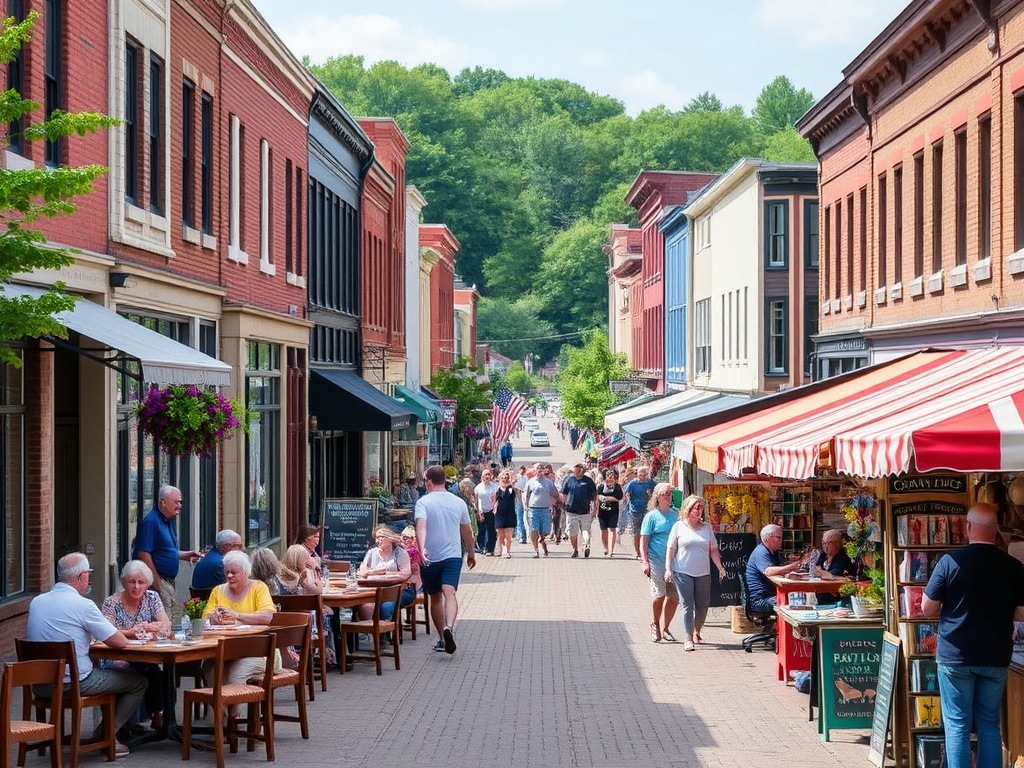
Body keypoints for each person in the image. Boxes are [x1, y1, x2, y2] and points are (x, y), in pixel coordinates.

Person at [921, 503, 1024, 768]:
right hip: (995, 655)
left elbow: (927, 608)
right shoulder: (1014, 566)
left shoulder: (950, 562)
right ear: (995, 530)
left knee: (957, 724)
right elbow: (1022, 614)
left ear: (967, 527)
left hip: (956, 655)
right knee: (990, 724)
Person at [27, 552, 148, 756]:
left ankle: (103, 732)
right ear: (82, 576)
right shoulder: (84, 605)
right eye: (88, 575)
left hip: (40, 686)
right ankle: (109, 734)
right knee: (138, 681)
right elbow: (119, 641)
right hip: (72, 684)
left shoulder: (36, 602)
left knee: (99, 668)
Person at [101, 560, 172, 733]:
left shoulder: (152, 598)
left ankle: (159, 715)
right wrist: (131, 632)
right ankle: (126, 723)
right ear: (124, 582)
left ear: (147, 584)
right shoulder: (112, 602)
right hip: (116, 655)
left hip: (144, 655)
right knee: (131, 670)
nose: (136, 587)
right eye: (132, 582)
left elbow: (167, 625)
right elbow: (106, 632)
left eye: (141, 582)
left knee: (157, 673)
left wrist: (158, 627)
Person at [415, 464, 476, 655]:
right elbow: (467, 530)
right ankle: (450, 626)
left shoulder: (423, 502)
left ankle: (442, 637)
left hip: (430, 556)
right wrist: (471, 553)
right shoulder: (458, 502)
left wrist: (421, 549)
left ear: (429, 481)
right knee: (450, 593)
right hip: (453, 555)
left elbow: (421, 526)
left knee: (434, 597)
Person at [202, 550, 277, 695]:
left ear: (246, 572)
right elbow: (206, 617)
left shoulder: (258, 588)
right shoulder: (218, 591)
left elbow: (267, 617)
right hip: (224, 650)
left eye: (234, 572)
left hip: (257, 651)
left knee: (237, 672)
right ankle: (222, 711)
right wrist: (214, 617)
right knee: (209, 666)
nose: (229, 576)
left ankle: (235, 713)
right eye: (227, 572)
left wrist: (238, 616)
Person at [664, 495, 726, 651]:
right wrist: (668, 569)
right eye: (696, 508)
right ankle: (688, 637)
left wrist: (720, 567)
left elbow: (713, 549)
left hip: (703, 572)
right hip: (682, 571)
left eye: (701, 508)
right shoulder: (678, 527)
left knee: (703, 606)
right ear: (688, 509)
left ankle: (696, 629)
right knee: (687, 605)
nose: (699, 511)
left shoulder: (707, 528)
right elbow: (671, 549)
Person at [132, 484, 201, 620]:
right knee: (164, 620)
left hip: (168, 580)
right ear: (163, 502)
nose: (180, 506)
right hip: (159, 579)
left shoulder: (168, 520)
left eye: (180, 502)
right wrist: (156, 581)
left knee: (170, 618)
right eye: (176, 502)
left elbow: (166, 550)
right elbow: (143, 553)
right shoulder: (151, 522)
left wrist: (184, 555)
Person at [640, 482, 679, 643]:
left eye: (670, 494)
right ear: (657, 497)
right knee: (660, 595)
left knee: (674, 597)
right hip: (657, 560)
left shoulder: (676, 515)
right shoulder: (651, 517)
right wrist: (645, 562)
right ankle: (655, 623)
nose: (668, 497)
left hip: (675, 561)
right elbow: (644, 541)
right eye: (665, 494)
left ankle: (666, 628)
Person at [745, 523, 807, 613]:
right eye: (779, 537)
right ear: (768, 538)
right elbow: (768, 571)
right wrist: (791, 567)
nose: (781, 540)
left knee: (801, 598)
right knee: (798, 602)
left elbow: (782, 567)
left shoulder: (774, 552)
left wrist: (795, 567)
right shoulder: (761, 552)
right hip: (760, 600)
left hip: (768, 595)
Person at [357, 526, 413, 621]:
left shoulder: (400, 553)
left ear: (390, 538)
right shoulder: (372, 553)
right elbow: (361, 573)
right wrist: (375, 572)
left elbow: (405, 574)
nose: (378, 540)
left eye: (381, 537)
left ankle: (384, 635)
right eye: (377, 538)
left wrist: (383, 573)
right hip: (374, 590)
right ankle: (366, 633)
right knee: (363, 606)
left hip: (399, 590)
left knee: (385, 607)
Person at [561, 462, 597, 558]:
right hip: (571, 511)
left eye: (579, 469)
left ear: (582, 470)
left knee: (586, 531)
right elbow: (564, 494)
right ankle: (575, 549)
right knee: (573, 533)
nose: (577, 471)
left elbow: (594, 495)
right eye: (575, 469)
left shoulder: (588, 481)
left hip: (585, 511)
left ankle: (586, 546)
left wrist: (594, 508)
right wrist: (564, 506)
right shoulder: (569, 480)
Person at [810, 529, 855, 603]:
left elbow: (831, 576)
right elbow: (812, 569)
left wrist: (819, 571)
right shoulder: (822, 555)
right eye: (823, 543)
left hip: (837, 600)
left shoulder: (842, 557)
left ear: (838, 544)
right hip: (823, 597)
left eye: (829, 543)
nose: (825, 546)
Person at [524, 462, 558, 559]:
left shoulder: (549, 482)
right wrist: (526, 507)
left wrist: (557, 502)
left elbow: (555, 494)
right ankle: (536, 550)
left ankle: (542, 540)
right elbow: (526, 495)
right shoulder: (530, 482)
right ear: (535, 470)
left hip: (545, 510)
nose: (540, 470)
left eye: (541, 468)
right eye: (538, 468)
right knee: (534, 529)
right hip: (533, 509)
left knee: (545, 531)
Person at [623, 466, 656, 560]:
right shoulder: (633, 483)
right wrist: (628, 497)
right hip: (635, 510)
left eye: (645, 473)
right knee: (637, 531)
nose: (643, 475)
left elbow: (656, 491)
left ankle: (644, 551)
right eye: (641, 473)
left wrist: (651, 495)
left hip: (647, 510)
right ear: (637, 474)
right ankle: (637, 551)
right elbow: (627, 493)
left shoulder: (650, 483)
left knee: (646, 531)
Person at [596, 468, 623, 557]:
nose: (610, 478)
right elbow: (597, 496)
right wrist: (596, 509)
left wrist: (607, 498)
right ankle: (606, 548)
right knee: (604, 530)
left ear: (615, 478)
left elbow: (618, 497)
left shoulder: (617, 487)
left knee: (612, 529)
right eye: (608, 476)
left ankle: (611, 549)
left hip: (613, 512)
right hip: (602, 511)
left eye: (612, 476)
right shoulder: (601, 486)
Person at [493, 469, 518, 559]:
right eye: (503, 478)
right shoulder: (497, 488)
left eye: (506, 478)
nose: (505, 479)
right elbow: (494, 500)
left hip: (509, 513)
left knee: (508, 535)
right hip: (499, 514)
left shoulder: (511, 489)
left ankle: (508, 551)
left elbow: (515, 496)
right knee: (500, 534)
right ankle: (500, 549)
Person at [474, 467, 499, 556]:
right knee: (482, 531)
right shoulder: (478, 488)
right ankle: (482, 547)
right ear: (482, 477)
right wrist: (478, 512)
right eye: (485, 475)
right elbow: (476, 501)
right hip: (482, 511)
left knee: (491, 531)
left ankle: (490, 549)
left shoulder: (495, 486)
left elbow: (497, 499)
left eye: (489, 474)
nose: (487, 476)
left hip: (491, 511)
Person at [513, 464, 529, 544]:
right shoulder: (524, 478)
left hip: (521, 500)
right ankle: (522, 535)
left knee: (520, 518)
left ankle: (522, 535)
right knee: (521, 518)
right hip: (522, 500)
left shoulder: (522, 478)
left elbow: (517, 489)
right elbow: (517, 489)